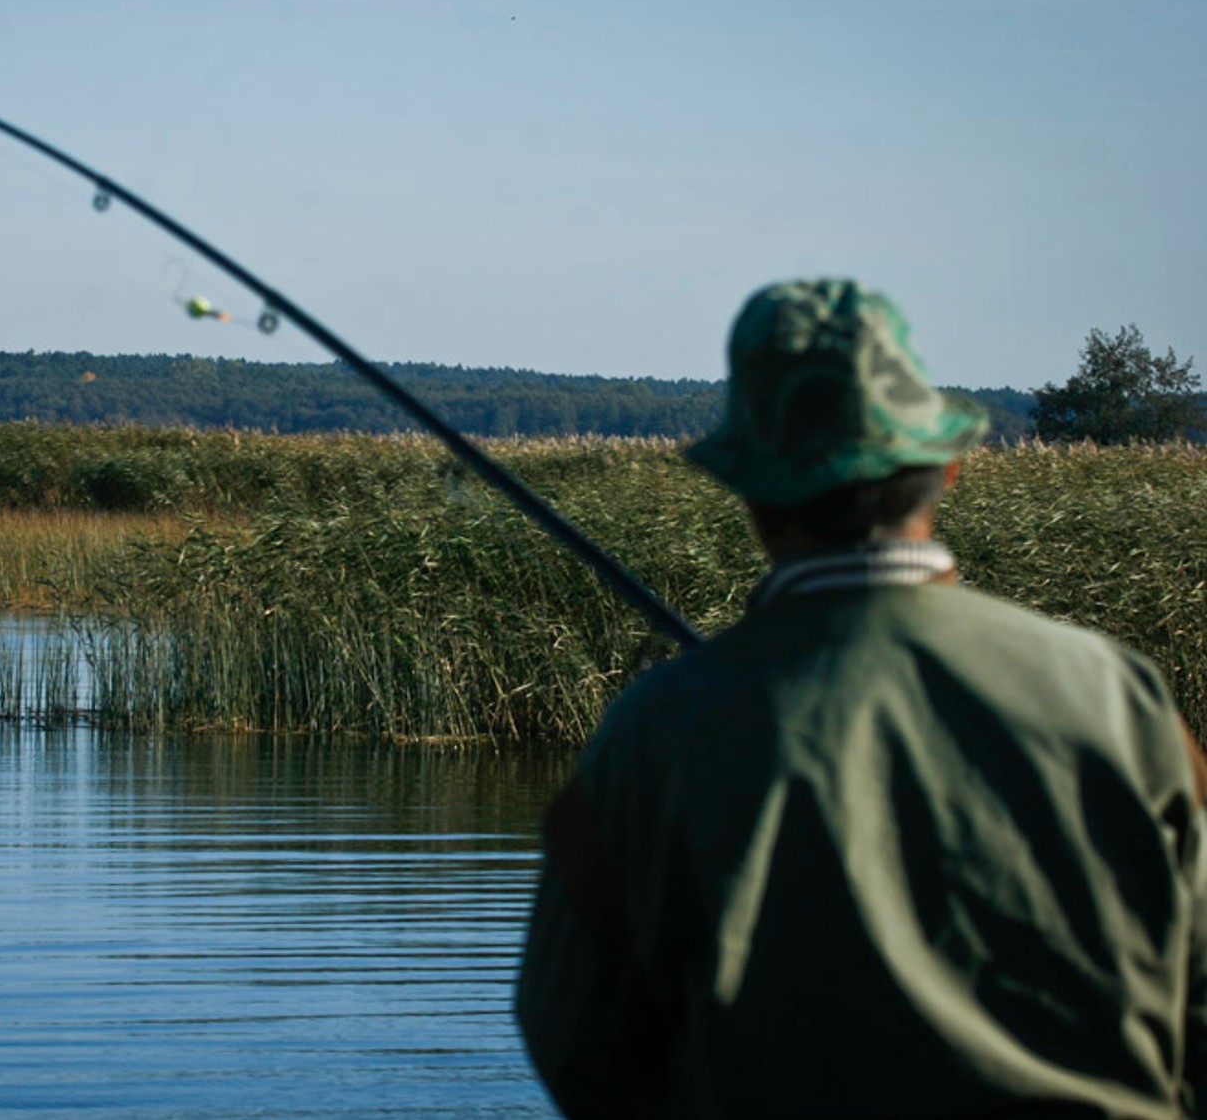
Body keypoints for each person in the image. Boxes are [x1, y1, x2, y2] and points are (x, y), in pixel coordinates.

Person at [516, 278, 1207, 1118]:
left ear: (755, 494)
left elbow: (576, 1041)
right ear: (946, 468)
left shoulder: (658, 731)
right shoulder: (1121, 699)